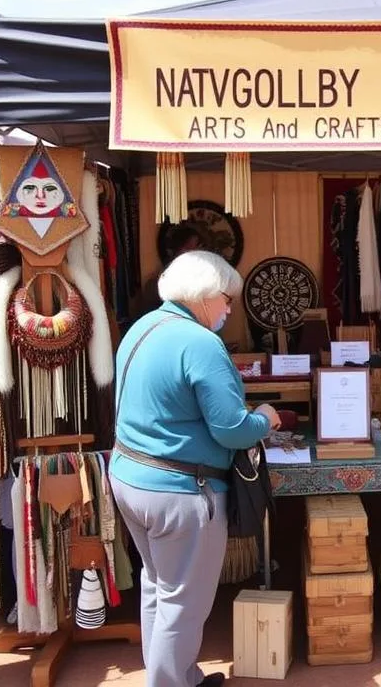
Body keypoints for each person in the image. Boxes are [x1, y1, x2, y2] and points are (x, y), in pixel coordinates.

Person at [109, 250, 281, 687]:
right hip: (181, 490)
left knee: (160, 587)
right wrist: (266, 418)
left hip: (132, 476)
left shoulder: (142, 328)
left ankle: (175, 675)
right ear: (205, 296)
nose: (229, 308)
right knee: (184, 600)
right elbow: (232, 429)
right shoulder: (202, 343)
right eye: (226, 299)